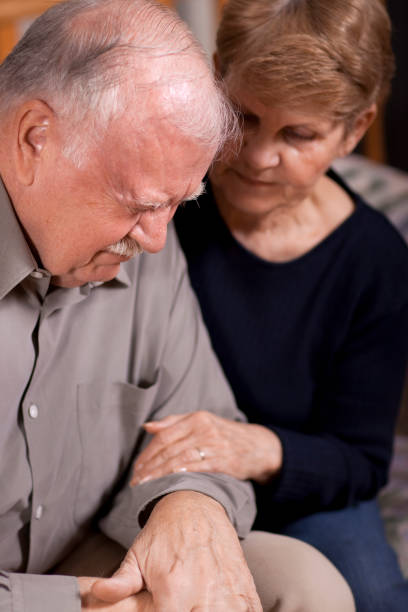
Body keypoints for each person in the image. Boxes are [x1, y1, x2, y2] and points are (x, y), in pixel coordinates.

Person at [0, 0, 357, 611]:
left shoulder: (144, 247)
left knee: (303, 583)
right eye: (139, 203)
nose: (157, 239)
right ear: (36, 136)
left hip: (98, 546)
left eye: (178, 203)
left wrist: (186, 503)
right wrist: (82, 607)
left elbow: (200, 420)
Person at [130, 1, 408, 610]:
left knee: (376, 596)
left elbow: (360, 460)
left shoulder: (374, 261)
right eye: (244, 118)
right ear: (216, 77)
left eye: (298, 134)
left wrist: (252, 446)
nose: (257, 156)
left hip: (299, 491)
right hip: (152, 468)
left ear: (355, 129)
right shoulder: (165, 204)